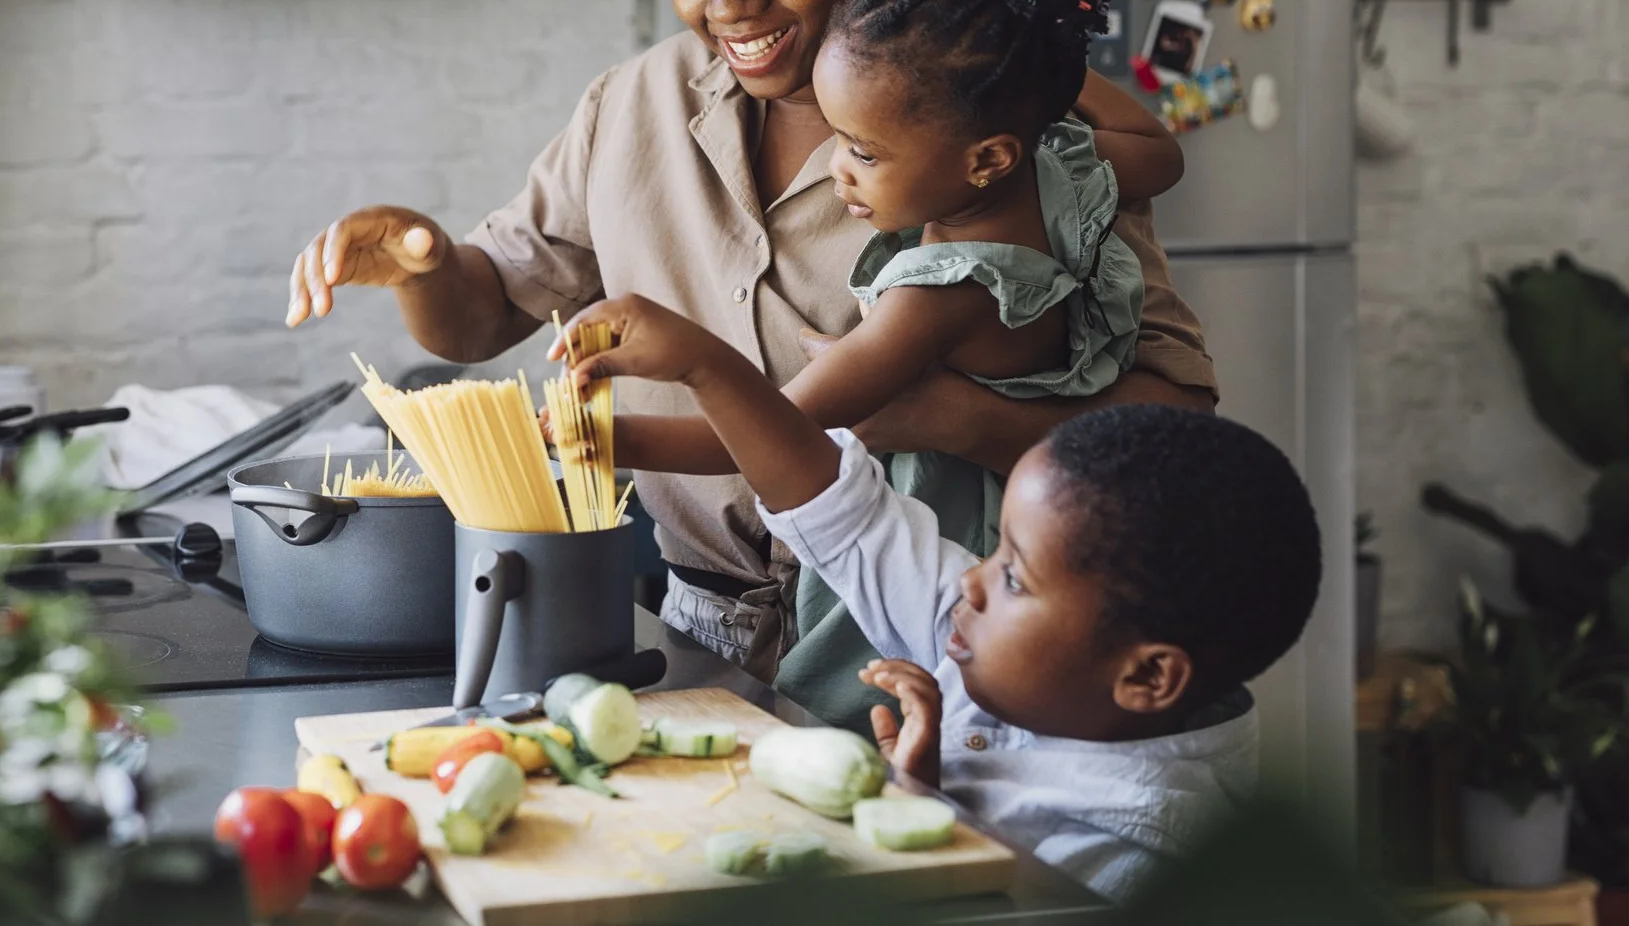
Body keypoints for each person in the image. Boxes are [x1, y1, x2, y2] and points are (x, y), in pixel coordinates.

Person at [283, 0, 1218, 690]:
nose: (728, 4)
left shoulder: (995, 124)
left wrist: (959, 421)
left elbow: (1173, 433)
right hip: (690, 637)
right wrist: (421, 259)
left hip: (934, 645)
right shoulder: (630, 107)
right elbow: (478, 313)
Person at [553, 297, 1322, 904]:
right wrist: (702, 367)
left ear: (1147, 678)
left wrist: (933, 819)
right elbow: (841, 512)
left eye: (1015, 577)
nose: (973, 581)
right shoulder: (1005, 650)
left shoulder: (1141, 853)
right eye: (996, 551)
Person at [596, 0, 1181, 487]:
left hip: (950, 554)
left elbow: (771, 429)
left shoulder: (936, 296)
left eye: (862, 151)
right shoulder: (1058, 170)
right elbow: (1161, 154)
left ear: (985, 158)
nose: (836, 167)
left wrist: (594, 439)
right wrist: (1024, 54)